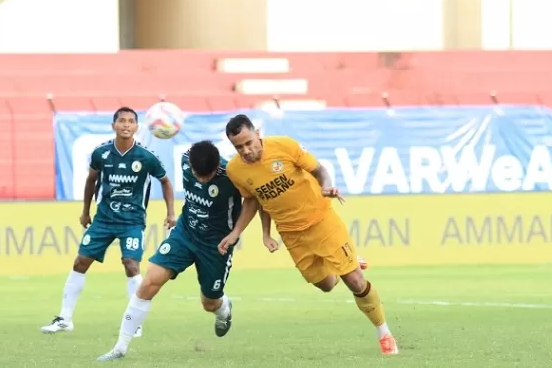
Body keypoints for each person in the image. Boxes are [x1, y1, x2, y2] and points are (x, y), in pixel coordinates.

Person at [218, 114, 399, 355]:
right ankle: (348, 262)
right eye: (238, 147)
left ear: (257, 133)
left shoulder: (284, 145)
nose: (246, 150)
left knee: (354, 280)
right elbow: (254, 200)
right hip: (292, 234)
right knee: (325, 285)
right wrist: (254, 233)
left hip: (322, 221)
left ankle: (384, 333)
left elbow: (319, 169)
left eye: (249, 143)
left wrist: (326, 186)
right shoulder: (235, 170)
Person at [97, 140, 256, 361]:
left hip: (216, 244)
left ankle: (223, 309)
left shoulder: (232, 176)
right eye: (198, 175)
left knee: (209, 302)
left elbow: (252, 200)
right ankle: (120, 347)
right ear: (190, 166)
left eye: (208, 176)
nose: (202, 180)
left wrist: (235, 233)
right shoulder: (184, 159)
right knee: (149, 281)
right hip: (186, 233)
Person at [41, 107, 177, 337]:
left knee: (130, 264)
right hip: (103, 219)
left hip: (132, 221)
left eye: (130, 121)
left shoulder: (146, 157)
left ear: (136, 127)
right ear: (113, 125)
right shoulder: (101, 153)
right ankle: (64, 318)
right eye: (121, 121)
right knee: (80, 262)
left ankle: (135, 321)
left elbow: (165, 181)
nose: (125, 125)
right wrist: (85, 212)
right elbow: (91, 181)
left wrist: (171, 213)